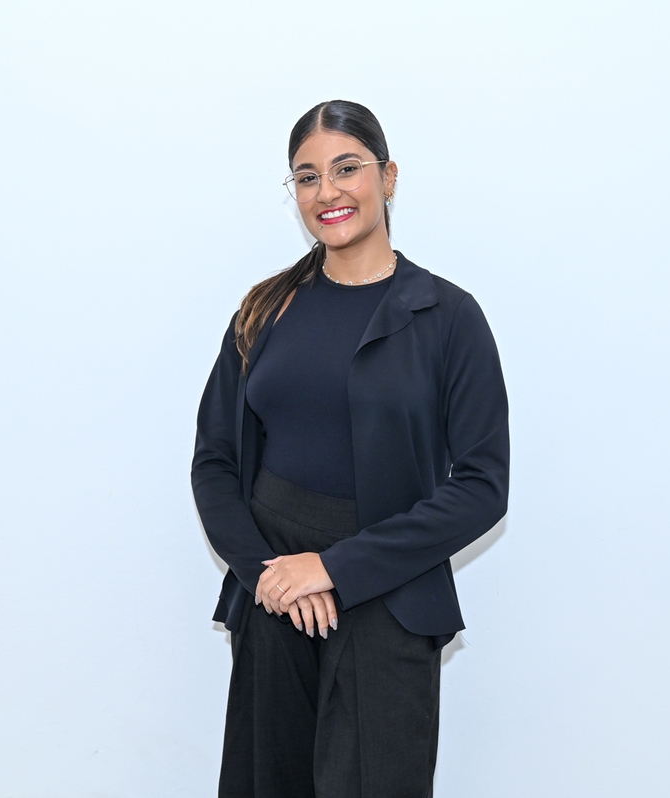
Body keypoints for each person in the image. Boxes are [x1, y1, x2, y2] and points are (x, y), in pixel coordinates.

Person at [191, 99, 509, 798]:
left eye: (346, 168)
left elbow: (482, 487)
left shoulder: (449, 317)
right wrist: (269, 574)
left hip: (389, 595)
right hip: (276, 594)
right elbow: (214, 460)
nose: (326, 191)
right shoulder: (265, 310)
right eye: (306, 177)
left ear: (388, 177)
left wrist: (333, 569)